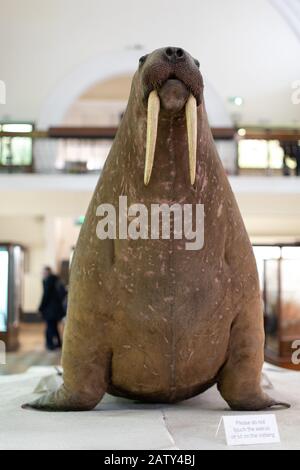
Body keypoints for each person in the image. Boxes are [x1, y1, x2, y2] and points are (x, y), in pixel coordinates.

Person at [39, 267, 67, 351]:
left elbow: (46, 296)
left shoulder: (48, 281)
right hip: (56, 309)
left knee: (50, 327)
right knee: (53, 327)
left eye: (45, 273)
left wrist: (40, 308)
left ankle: (50, 345)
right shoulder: (56, 280)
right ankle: (58, 344)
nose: (43, 274)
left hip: (50, 309)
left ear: (48, 273)